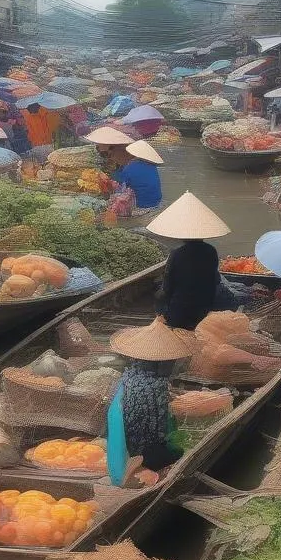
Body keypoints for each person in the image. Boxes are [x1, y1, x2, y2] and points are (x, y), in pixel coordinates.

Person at [106, 318, 193, 479]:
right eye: (170, 361)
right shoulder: (154, 387)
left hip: (121, 448)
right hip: (139, 457)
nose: (173, 364)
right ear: (161, 363)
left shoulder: (129, 376)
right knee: (182, 451)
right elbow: (156, 435)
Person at [147, 191, 228, 330]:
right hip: (204, 308)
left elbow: (167, 287)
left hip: (179, 313)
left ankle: (163, 322)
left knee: (158, 293)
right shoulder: (211, 251)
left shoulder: (177, 254)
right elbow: (215, 281)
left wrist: (160, 305)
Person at [110, 140, 163, 211]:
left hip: (140, 209)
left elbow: (120, 190)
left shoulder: (129, 168)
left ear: (129, 154)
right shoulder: (152, 166)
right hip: (157, 205)